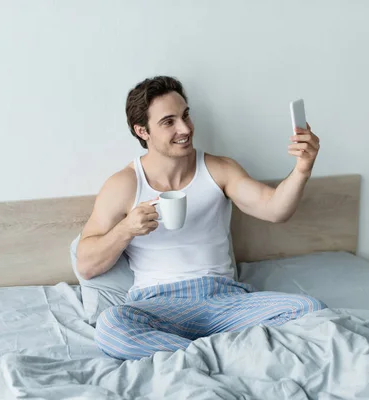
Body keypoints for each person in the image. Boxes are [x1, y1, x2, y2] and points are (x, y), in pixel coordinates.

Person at [76, 76, 326, 360]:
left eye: (185, 116)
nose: (185, 129)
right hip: (160, 307)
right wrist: (126, 229)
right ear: (142, 131)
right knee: (111, 327)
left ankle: (198, 357)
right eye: (168, 122)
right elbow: (85, 264)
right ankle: (229, 354)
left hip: (225, 301)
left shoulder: (220, 169)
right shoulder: (123, 185)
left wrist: (303, 168)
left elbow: (276, 209)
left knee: (310, 309)